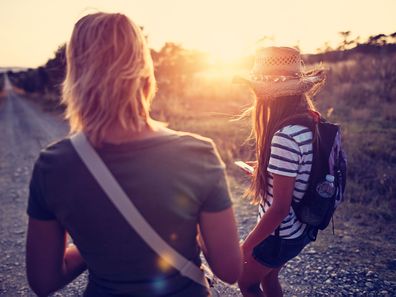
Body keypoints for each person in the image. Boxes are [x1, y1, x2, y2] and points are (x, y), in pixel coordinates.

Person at [26, 12, 242, 297]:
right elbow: (229, 270)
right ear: (144, 69)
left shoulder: (52, 165)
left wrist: (95, 245)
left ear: (76, 72)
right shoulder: (197, 153)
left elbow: (43, 282)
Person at [235, 47, 326, 297]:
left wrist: (245, 247)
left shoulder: (284, 136)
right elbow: (301, 170)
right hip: (300, 228)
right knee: (269, 276)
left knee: (247, 283)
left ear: (266, 95)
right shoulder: (309, 122)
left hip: (280, 233)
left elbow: (279, 209)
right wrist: (266, 172)